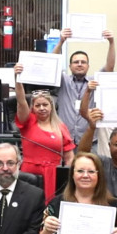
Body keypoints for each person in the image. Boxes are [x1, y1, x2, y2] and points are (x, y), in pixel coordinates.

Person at [12, 70, 78, 201]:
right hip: (30, 173)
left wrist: (70, 180)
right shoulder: (28, 121)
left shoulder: (61, 127)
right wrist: (17, 79)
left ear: (51, 106)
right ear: (33, 108)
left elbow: (69, 157)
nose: (42, 108)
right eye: (38, 105)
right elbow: (21, 102)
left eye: (45, 105)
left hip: (53, 174)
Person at [56, 36, 115, 144]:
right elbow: (52, 65)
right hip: (64, 139)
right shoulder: (63, 81)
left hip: (89, 139)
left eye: (83, 62)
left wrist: (111, 42)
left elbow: (110, 67)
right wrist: (61, 41)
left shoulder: (95, 81)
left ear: (88, 66)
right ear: (70, 66)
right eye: (76, 62)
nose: (79, 64)